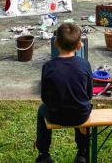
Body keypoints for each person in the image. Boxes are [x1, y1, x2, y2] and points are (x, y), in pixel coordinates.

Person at [35, 23, 93, 163]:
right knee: (86, 106)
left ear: (55, 42)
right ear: (80, 45)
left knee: (41, 110)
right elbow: (89, 95)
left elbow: (45, 97)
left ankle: (44, 153)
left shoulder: (48, 66)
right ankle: (82, 152)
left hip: (55, 115)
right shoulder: (85, 64)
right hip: (80, 116)